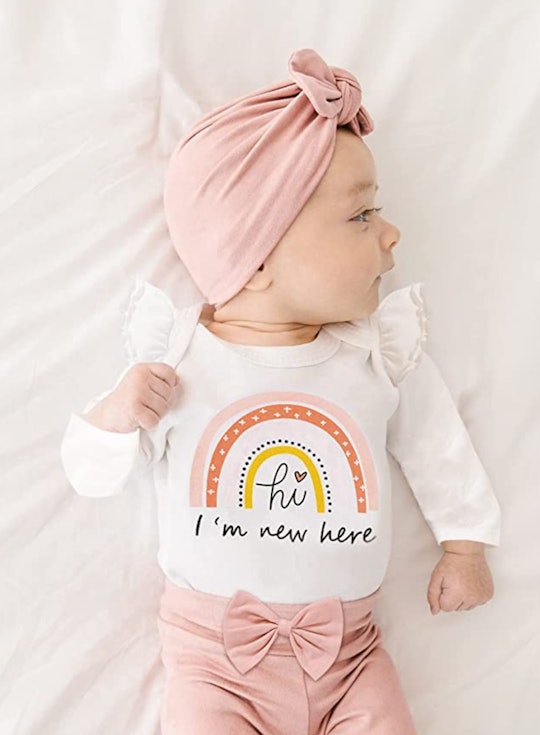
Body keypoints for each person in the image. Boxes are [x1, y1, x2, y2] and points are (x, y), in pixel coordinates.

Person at [60, 48, 501, 734]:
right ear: (257, 258)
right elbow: (88, 474)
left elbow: (437, 441)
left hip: (352, 656)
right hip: (216, 661)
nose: (391, 234)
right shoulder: (177, 357)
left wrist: (465, 543)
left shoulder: (375, 353)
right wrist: (118, 415)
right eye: (360, 217)